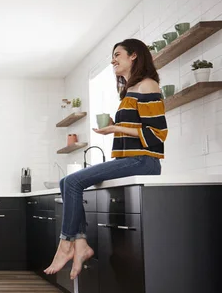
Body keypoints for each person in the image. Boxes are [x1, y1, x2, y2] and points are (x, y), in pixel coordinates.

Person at [44, 38, 167, 280]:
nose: (113, 60)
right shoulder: (130, 90)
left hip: (144, 160)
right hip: (133, 159)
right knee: (66, 182)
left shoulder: (148, 85)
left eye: (117, 54)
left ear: (134, 55)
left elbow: (158, 134)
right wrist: (115, 127)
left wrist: (115, 129)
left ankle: (67, 245)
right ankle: (79, 245)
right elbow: (137, 127)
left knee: (71, 182)